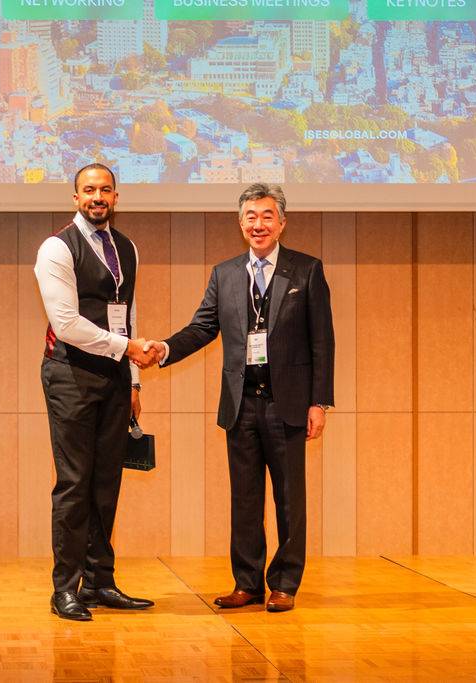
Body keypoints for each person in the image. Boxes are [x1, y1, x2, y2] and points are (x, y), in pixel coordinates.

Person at [145, 183, 334, 613]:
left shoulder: (306, 270)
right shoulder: (225, 273)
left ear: (282, 223)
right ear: (240, 223)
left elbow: (323, 341)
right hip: (241, 404)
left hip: (288, 404)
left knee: (290, 499)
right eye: (251, 216)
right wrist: (165, 349)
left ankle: (284, 583)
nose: (258, 224)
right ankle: (246, 583)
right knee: (244, 499)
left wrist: (319, 402)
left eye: (267, 216)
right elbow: (202, 327)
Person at [34, 163, 158, 621]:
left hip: (115, 377)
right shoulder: (56, 248)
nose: (97, 197)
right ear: (75, 198)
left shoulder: (127, 247)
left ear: (116, 197)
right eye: (89, 190)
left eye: (105, 189)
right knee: (74, 483)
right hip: (69, 374)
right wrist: (127, 349)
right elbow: (66, 324)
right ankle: (64, 589)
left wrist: (134, 378)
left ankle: (100, 582)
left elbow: (128, 312)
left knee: (107, 483)